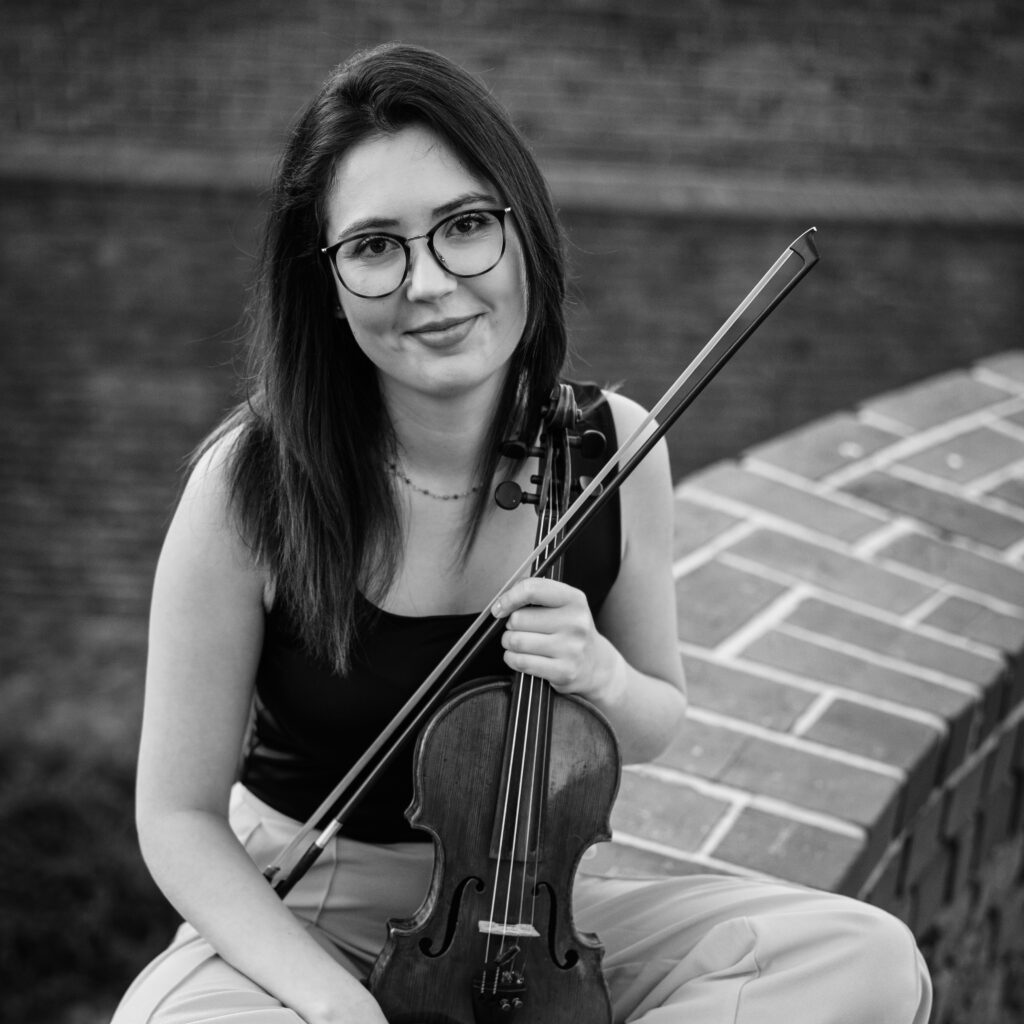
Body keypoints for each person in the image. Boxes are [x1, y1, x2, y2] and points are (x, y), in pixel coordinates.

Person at [112, 43, 932, 1024]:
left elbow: (655, 716)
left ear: (522, 234)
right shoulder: (250, 484)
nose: (428, 283)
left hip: (535, 905)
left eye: (465, 226)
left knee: (865, 960)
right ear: (324, 281)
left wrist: (598, 673)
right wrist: (331, 1004)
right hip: (306, 910)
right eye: (374, 247)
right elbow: (177, 815)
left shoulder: (615, 449)